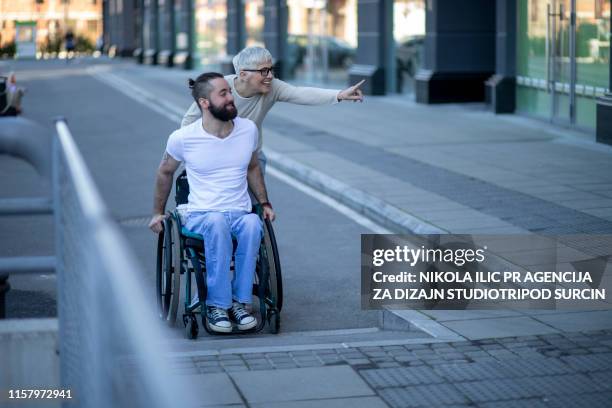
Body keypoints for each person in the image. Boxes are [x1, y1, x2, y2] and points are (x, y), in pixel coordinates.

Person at [149, 72, 275, 333]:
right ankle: (217, 305)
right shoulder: (183, 137)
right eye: (224, 94)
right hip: (202, 214)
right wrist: (157, 213)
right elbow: (164, 171)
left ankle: (241, 303)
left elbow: (253, 167)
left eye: (230, 92)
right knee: (217, 222)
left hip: (239, 212)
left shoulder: (247, 130)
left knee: (253, 225)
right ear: (205, 103)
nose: (232, 98)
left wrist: (264, 203)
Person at [181, 46, 365, 174]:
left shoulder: (272, 87)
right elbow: (189, 121)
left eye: (271, 70)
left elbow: (301, 93)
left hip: (251, 156)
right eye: (263, 71)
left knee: (257, 213)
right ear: (243, 74)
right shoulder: (220, 87)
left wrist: (339, 94)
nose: (270, 76)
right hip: (215, 154)